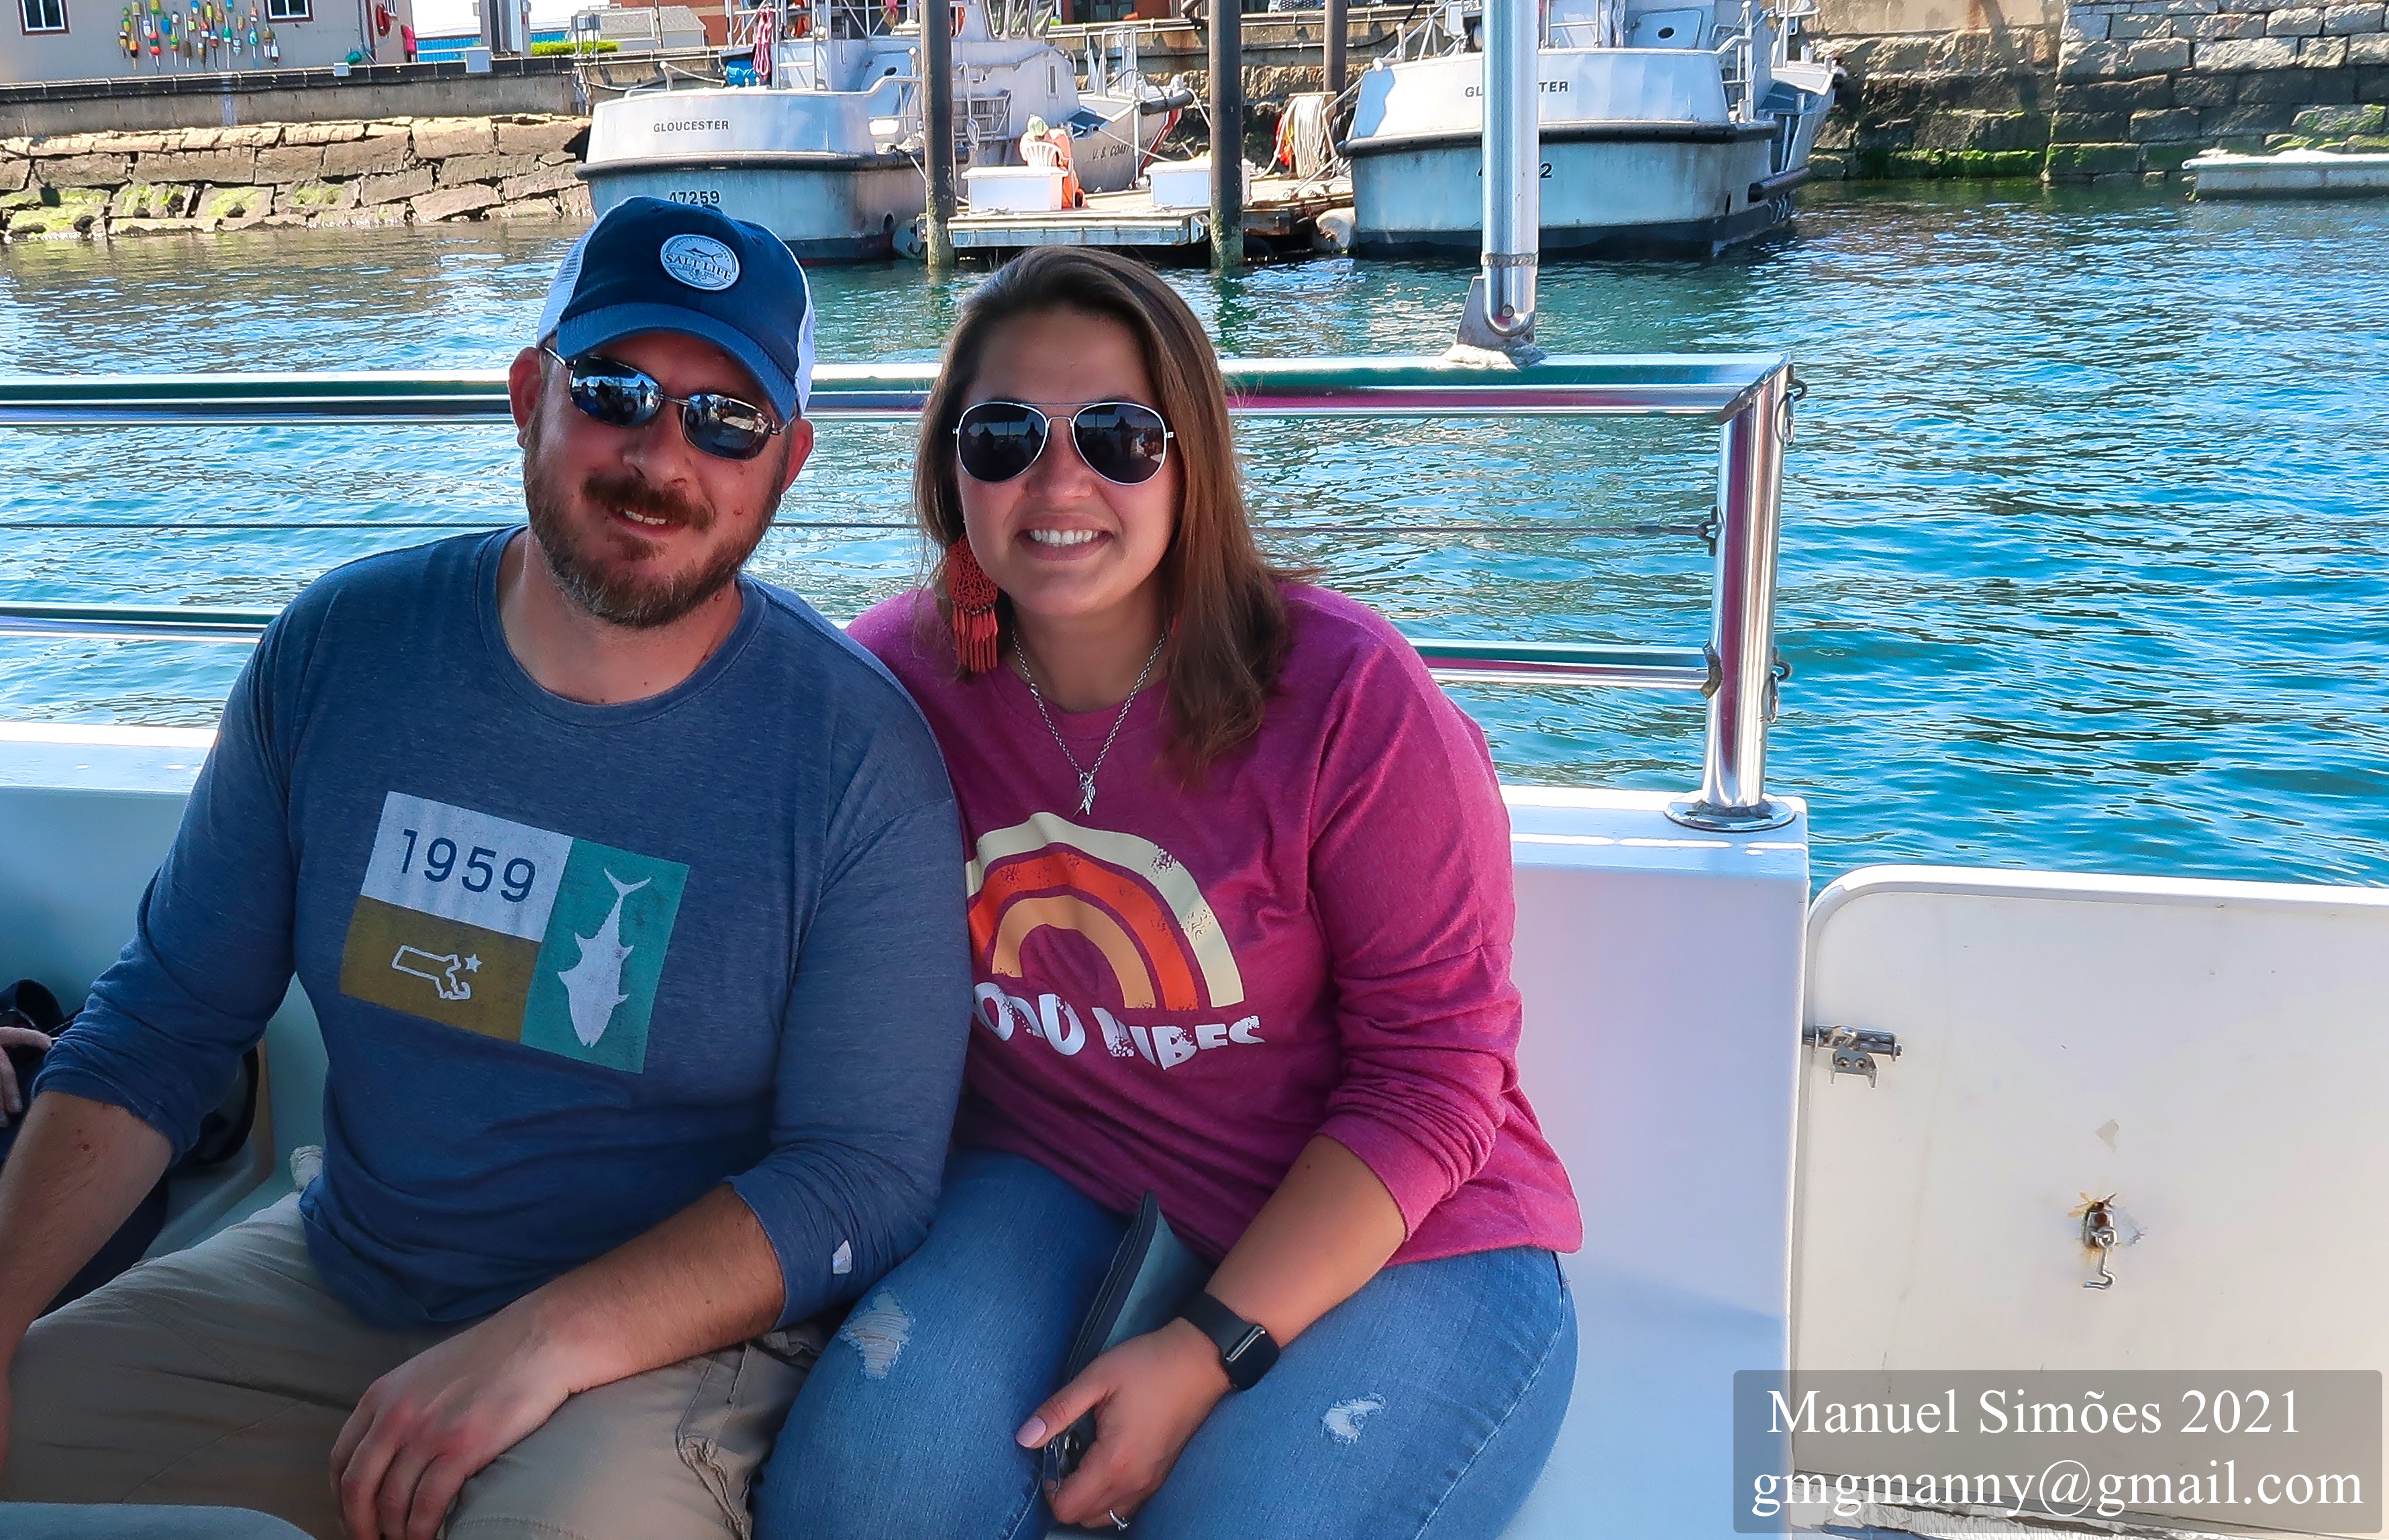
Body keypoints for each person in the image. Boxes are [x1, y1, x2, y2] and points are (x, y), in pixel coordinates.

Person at [0, 198, 973, 1540]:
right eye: (616, 390)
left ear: (790, 461)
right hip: (340, 1273)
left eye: (726, 419)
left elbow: (862, 1174)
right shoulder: (339, 653)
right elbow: (166, 1024)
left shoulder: (856, 758)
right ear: (529, 398)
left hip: (661, 1341)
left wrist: (542, 1339)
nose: (661, 456)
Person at [756, 246, 1582, 1539]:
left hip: (1397, 1229)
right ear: (949, 469)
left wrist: (1202, 1355)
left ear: (1191, 461)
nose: (1058, 482)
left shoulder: (1351, 700)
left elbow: (1436, 1080)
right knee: (850, 1508)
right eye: (1005, 436)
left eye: (1120, 437)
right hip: (1058, 1178)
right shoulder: (894, 691)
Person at [1017, 115, 1082, 209]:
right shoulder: (1058, 136)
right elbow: (1067, 159)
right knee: (1069, 172)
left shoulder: (1026, 139)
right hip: (1053, 173)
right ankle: (1069, 200)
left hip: (1035, 173)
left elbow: (1024, 157)